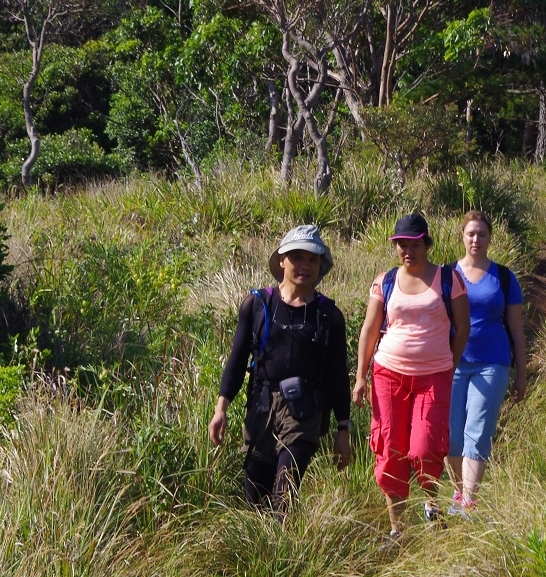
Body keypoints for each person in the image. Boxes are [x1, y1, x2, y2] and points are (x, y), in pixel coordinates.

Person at [209, 224, 351, 511]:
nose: (305, 265)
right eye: (297, 257)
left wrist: (343, 429)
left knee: (284, 492)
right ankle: (266, 541)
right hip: (261, 409)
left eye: (312, 259)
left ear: (321, 265)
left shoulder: (329, 315)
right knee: (255, 499)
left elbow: (337, 375)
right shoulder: (257, 305)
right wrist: (220, 408)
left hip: (304, 413)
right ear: (282, 260)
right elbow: (237, 360)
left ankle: (285, 539)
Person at [353, 212, 469, 539]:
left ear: (426, 244)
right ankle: (397, 530)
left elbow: (463, 328)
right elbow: (369, 329)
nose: (408, 251)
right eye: (402, 244)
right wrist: (360, 377)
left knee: (424, 447)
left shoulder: (448, 279)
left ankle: (431, 503)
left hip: (434, 376)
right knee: (390, 449)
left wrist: (449, 364)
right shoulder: (385, 281)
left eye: (415, 244)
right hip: (388, 374)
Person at [446, 210, 526, 512]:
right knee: (450, 436)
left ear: (490, 237)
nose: (476, 239)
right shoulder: (447, 275)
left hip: (492, 363)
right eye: (471, 234)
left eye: (482, 234)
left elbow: (516, 330)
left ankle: (469, 503)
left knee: (477, 432)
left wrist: (522, 375)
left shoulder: (504, 277)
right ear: (462, 236)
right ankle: (458, 494)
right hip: (452, 363)